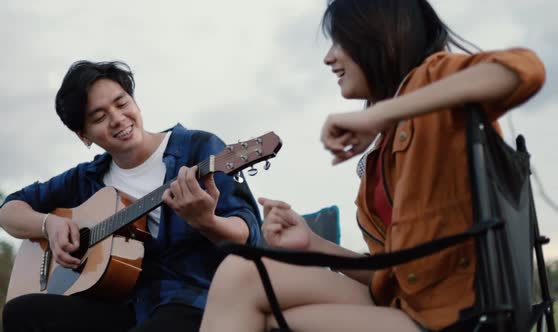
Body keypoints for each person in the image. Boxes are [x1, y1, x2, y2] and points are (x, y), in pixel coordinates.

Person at [199, 0, 546, 331]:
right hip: (406, 306)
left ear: (376, 35)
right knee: (243, 274)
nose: (328, 58)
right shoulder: (383, 151)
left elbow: (525, 70)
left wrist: (378, 114)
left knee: (250, 291)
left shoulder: (431, 80)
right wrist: (312, 245)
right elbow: (391, 276)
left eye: (339, 41)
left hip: (450, 318)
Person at [0, 60, 262, 332]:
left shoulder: (199, 148)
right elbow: (6, 211)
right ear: (84, 135)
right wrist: (49, 225)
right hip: (120, 304)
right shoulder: (88, 178)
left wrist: (208, 222)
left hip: (191, 300)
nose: (118, 119)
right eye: (99, 117)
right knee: (21, 313)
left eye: (122, 104)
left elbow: (250, 232)